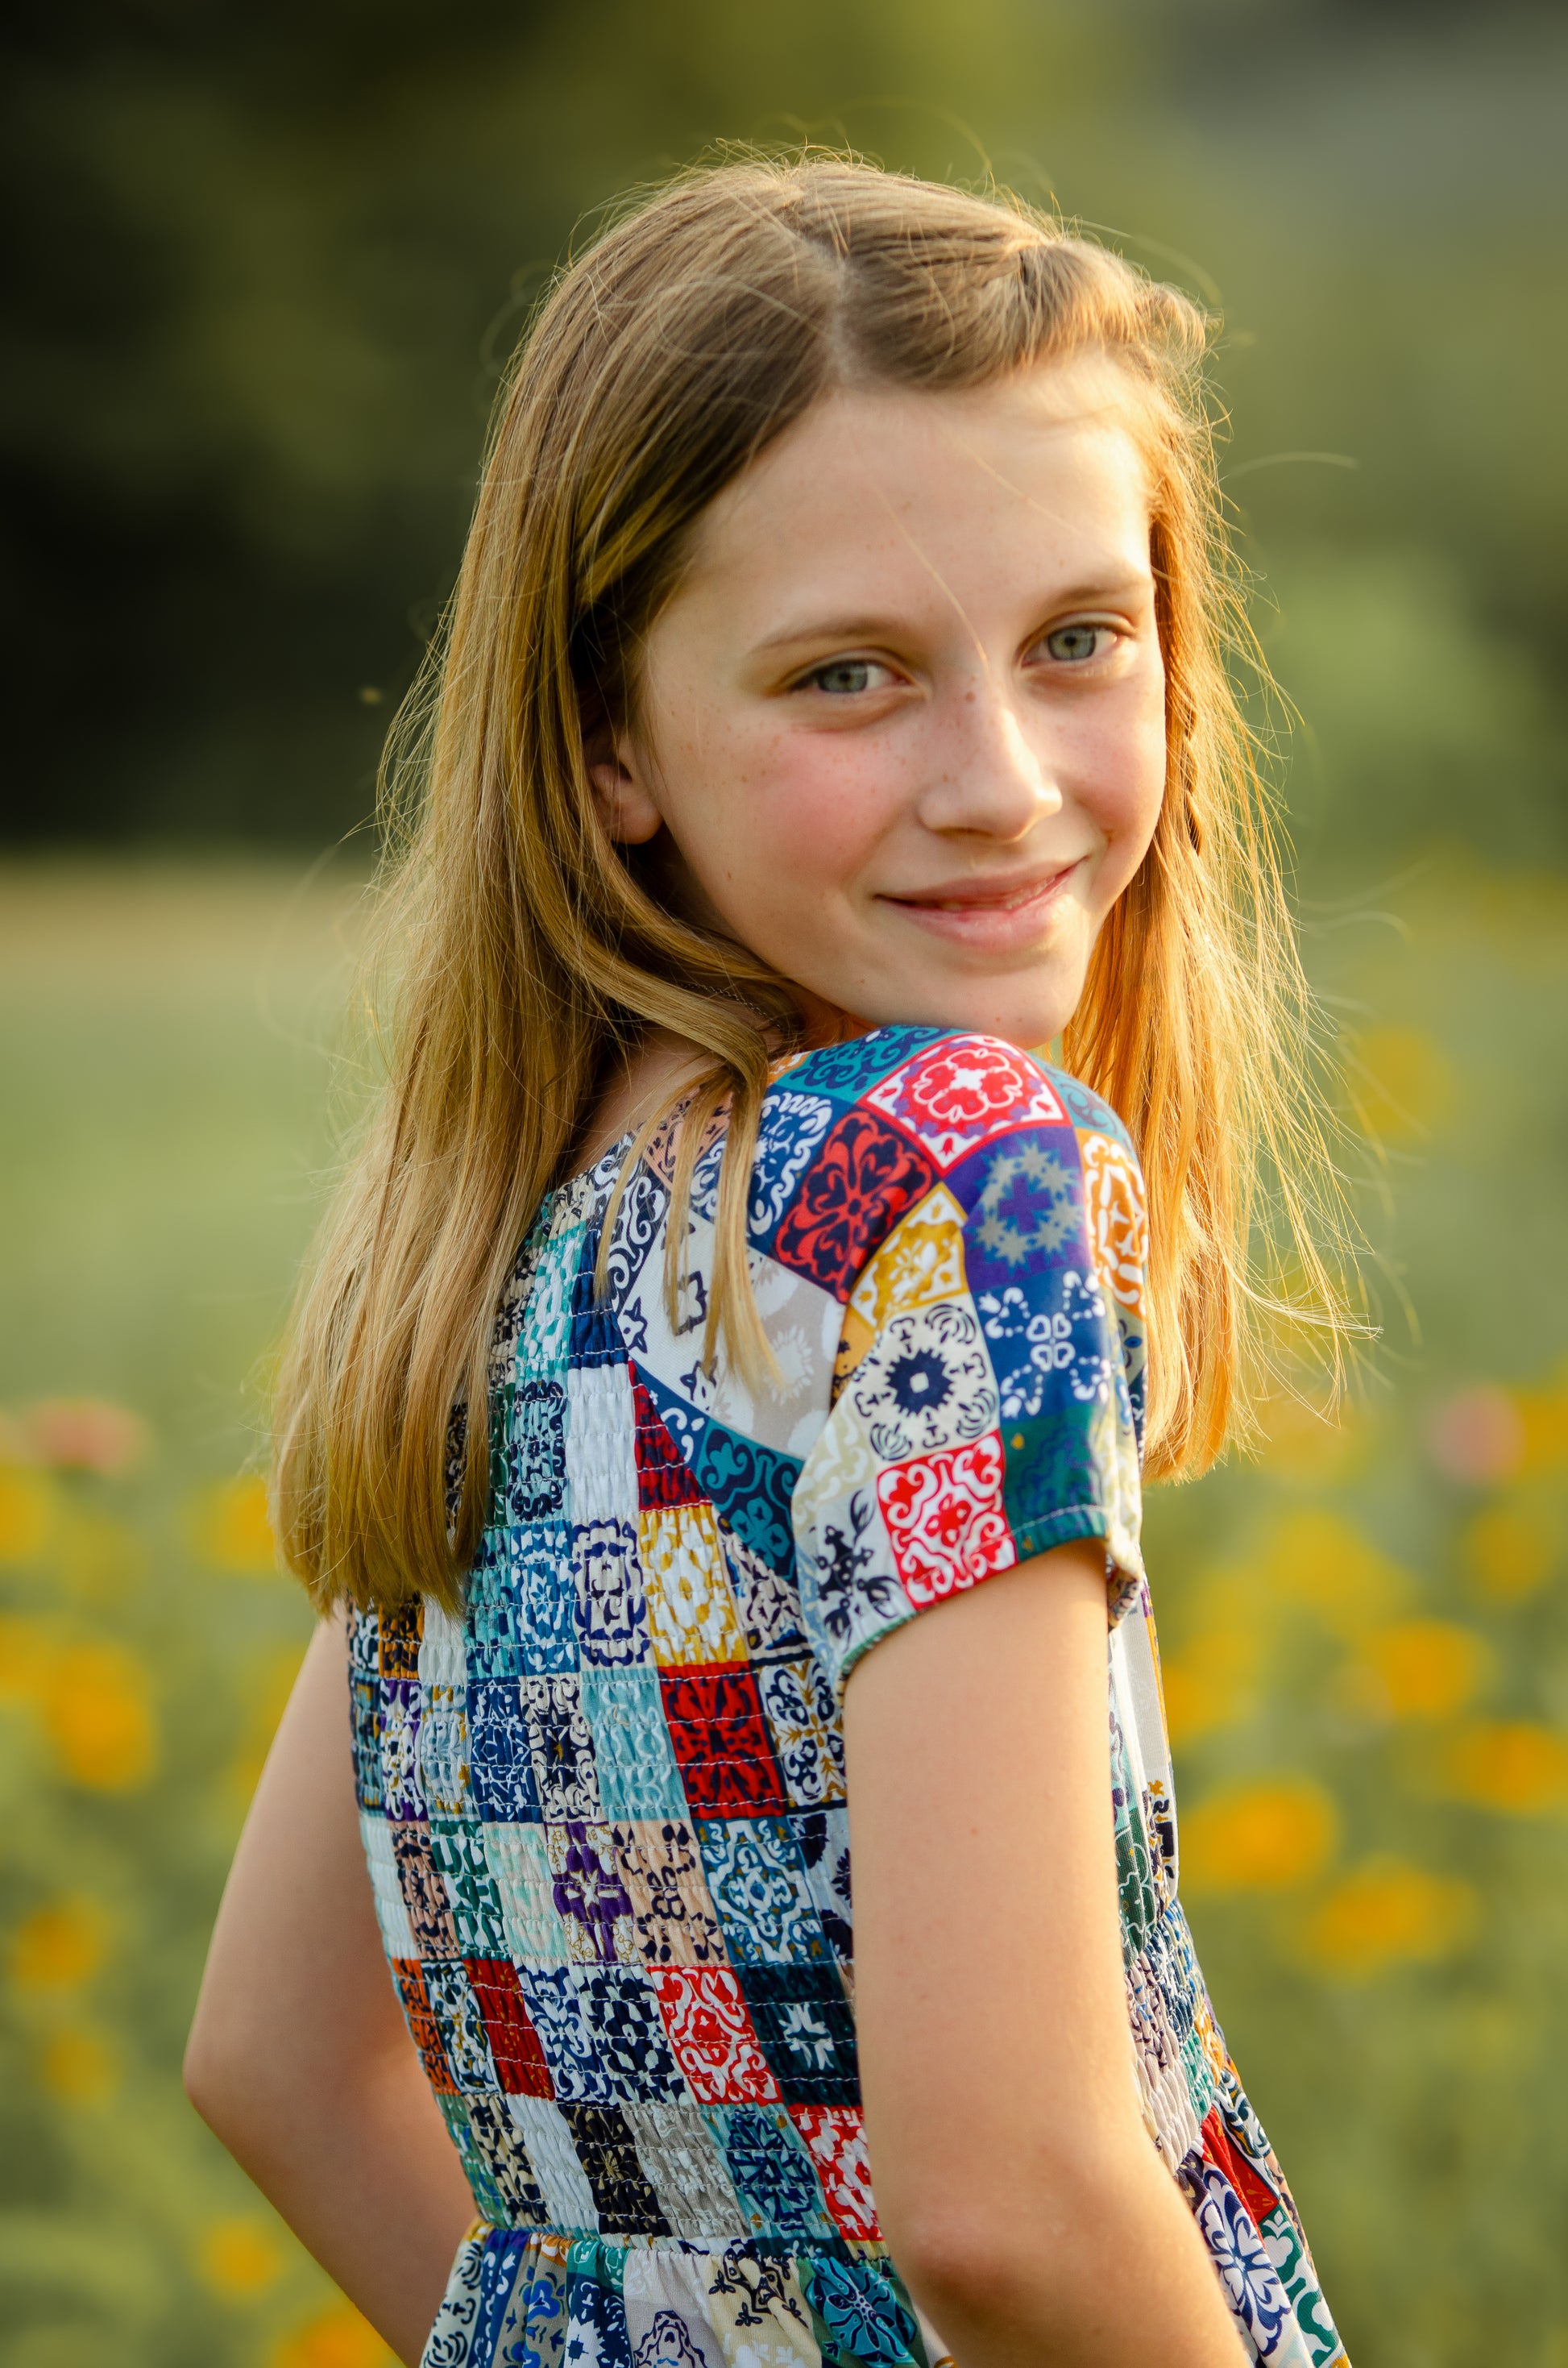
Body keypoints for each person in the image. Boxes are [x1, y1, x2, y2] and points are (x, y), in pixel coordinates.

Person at [184, 156, 1353, 2368]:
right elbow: (1004, 2205)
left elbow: (276, 2060)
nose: (1001, 781)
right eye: (850, 676)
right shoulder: (950, 1175)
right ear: (606, 744)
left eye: (1078, 640)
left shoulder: (517, 1240)